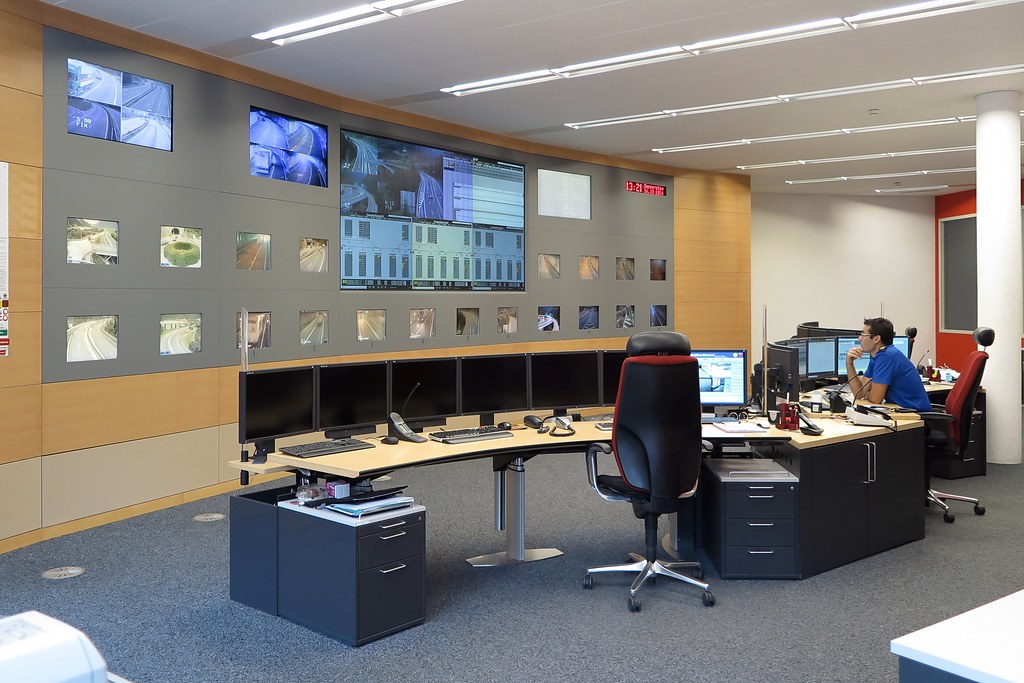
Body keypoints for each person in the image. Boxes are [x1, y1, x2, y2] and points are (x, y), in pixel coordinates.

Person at [846, 317, 931, 412]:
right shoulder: (877, 356)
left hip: (917, 416)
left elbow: (875, 399)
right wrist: (849, 364)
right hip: (902, 411)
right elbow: (859, 393)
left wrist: (869, 393)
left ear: (876, 339)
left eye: (863, 335)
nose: (859, 338)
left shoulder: (887, 356)